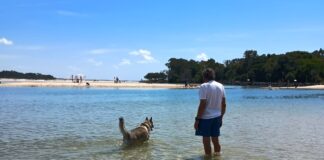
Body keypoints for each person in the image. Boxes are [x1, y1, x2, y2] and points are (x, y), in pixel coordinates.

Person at [194, 68, 226, 157]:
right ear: (213, 76)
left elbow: (203, 104)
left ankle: (208, 157)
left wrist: (197, 119)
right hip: (217, 117)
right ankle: (218, 156)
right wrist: (221, 117)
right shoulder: (221, 86)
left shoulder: (204, 86)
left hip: (206, 118)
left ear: (204, 76)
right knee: (216, 140)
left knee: (206, 141)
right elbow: (224, 104)